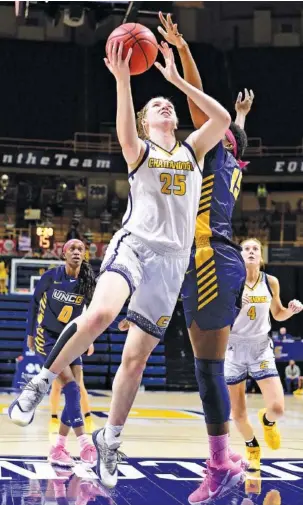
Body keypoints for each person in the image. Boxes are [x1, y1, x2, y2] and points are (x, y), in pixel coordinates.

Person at [9, 39, 231, 490]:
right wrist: (126, 82)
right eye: (157, 106)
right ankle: (40, 382)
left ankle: (109, 439)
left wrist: (176, 80)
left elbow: (223, 120)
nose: (165, 106)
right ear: (147, 123)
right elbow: (125, 129)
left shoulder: (192, 151)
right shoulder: (141, 152)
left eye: (167, 103)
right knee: (104, 313)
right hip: (135, 246)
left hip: (172, 264)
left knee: (135, 360)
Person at [158, 12, 253, 504]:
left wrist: (184, 51)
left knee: (208, 369)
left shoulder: (216, 149)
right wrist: (239, 120)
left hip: (210, 261)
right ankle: (227, 455)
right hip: (215, 259)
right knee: (207, 366)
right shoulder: (231, 155)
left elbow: (201, 103)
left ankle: (219, 467)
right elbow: (226, 122)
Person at [12, 239, 97, 467]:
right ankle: (84, 443)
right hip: (48, 338)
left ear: (84, 254)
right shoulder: (51, 276)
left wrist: (90, 338)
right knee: (69, 385)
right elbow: (34, 302)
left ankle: (58, 447)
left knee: (75, 392)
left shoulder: (87, 282)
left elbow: (94, 312)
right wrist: (30, 333)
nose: (77, 252)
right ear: (64, 254)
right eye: (72, 249)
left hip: (73, 338)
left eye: (81, 249)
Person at [225, 238, 303, 472]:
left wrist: (290, 311)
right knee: (237, 415)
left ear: (261, 256)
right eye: (246, 249)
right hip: (234, 349)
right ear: (240, 256)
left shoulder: (271, 282)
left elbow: (277, 313)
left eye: (255, 249)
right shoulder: (230, 282)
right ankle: (252, 447)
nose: (251, 252)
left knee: (278, 408)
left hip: (260, 348)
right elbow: (219, 318)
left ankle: (267, 420)